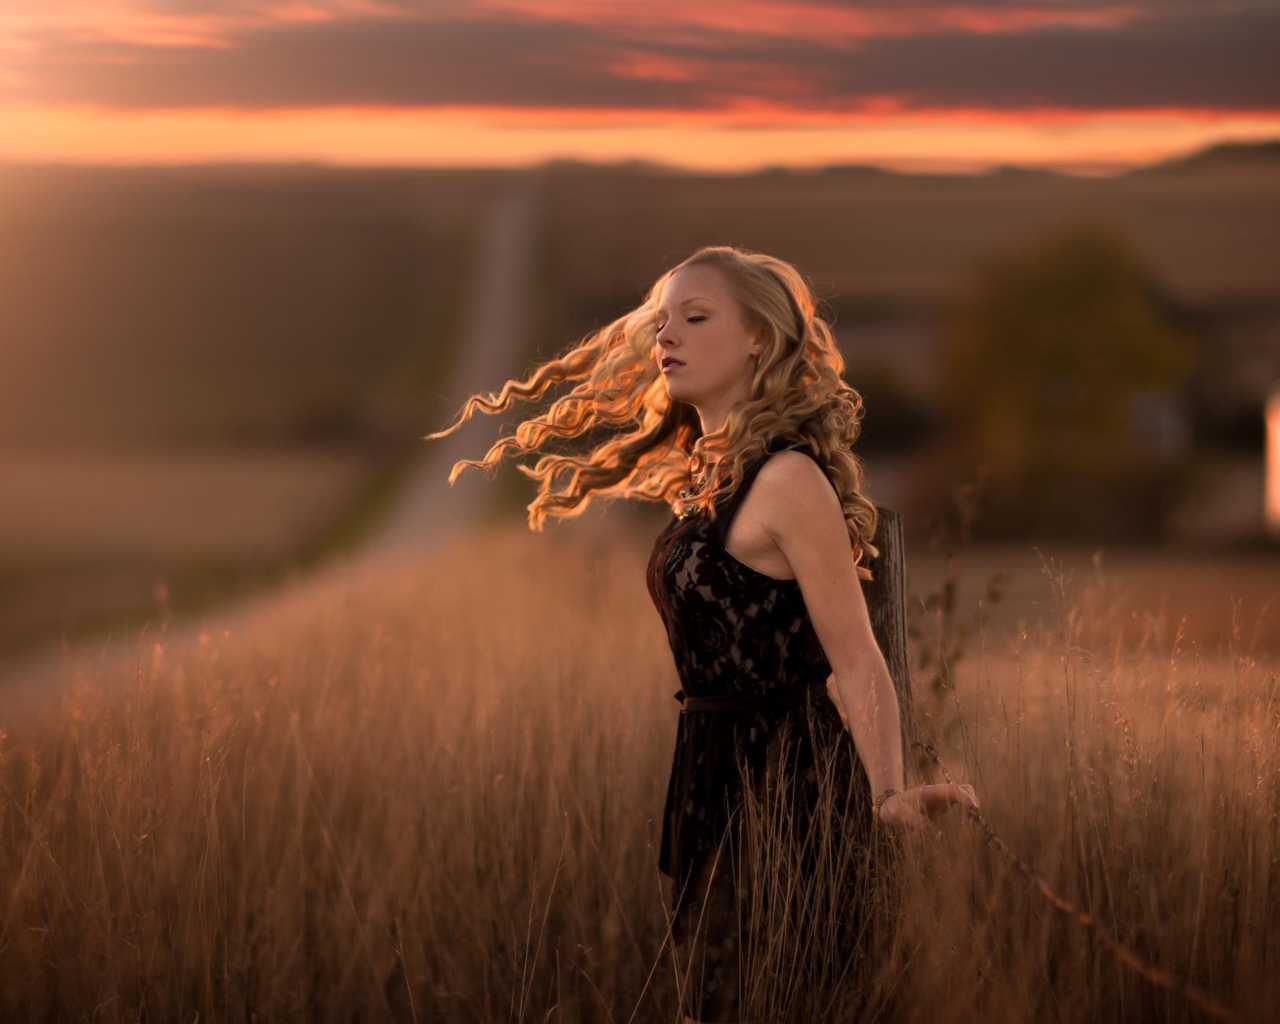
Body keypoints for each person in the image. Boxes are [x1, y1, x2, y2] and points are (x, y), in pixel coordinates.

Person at [427, 244, 980, 1023]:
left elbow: (858, 659)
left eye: (694, 317)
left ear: (758, 337)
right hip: (707, 785)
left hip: (786, 791)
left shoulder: (787, 481)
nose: (667, 339)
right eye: (662, 324)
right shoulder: (709, 476)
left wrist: (887, 793)